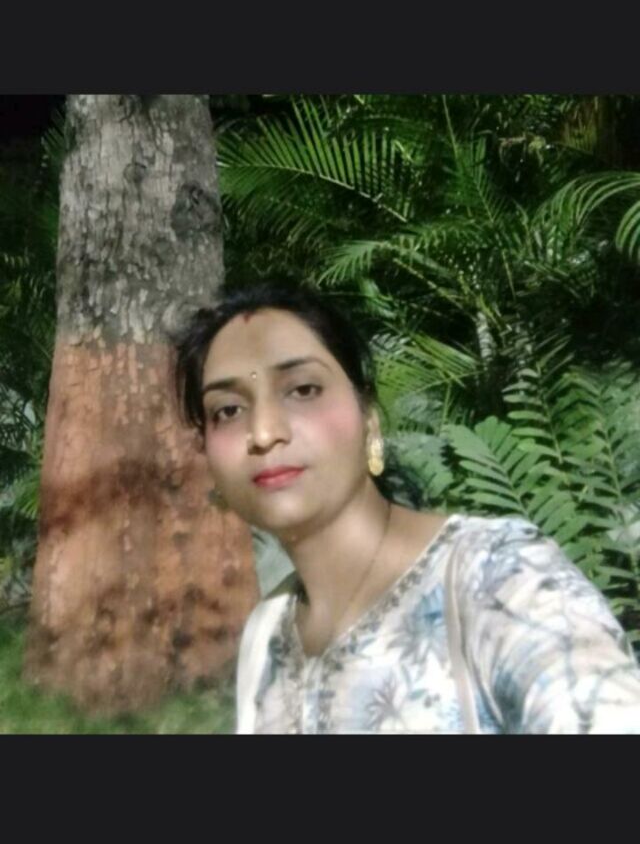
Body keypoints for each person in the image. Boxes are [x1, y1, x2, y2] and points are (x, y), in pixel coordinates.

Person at [174, 280, 640, 734]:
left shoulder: (497, 576)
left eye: (303, 390)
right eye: (227, 410)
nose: (263, 432)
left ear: (370, 420)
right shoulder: (266, 636)